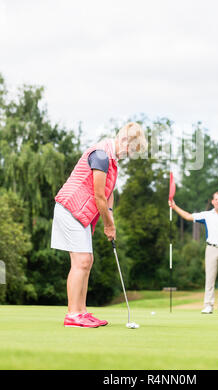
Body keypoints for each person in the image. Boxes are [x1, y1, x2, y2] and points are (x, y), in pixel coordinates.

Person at [51, 122, 147, 328]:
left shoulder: (111, 162)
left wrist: (110, 219)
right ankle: (73, 314)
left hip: (81, 215)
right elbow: (99, 196)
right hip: (70, 209)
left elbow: (109, 195)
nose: (129, 155)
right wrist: (108, 226)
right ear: (124, 141)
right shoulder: (101, 155)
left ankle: (81, 312)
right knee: (81, 261)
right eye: (131, 149)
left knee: (87, 260)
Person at [169, 192, 218, 314]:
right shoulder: (206, 215)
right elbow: (188, 216)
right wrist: (174, 207)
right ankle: (208, 305)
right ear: (212, 201)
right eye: (216, 199)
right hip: (211, 248)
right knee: (210, 278)